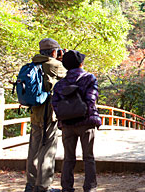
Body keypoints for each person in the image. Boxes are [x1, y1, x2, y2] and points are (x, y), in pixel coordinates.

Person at [52, 50, 101, 192]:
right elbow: (92, 99)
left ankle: (67, 187)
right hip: (86, 123)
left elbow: (55, 103)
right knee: (88, 157)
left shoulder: (60, 84)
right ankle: (90, 187)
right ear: (81, 63)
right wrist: (84, 112)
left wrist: (65, 115)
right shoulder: (89, 78)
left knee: (68, 158)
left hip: (67, 125)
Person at [24, 38, 67, 192]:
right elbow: (71, 75)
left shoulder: (33, 64)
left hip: (35, 112)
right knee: (48, 148)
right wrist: (64, 60)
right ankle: (43, 187)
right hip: (49, 114)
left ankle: (31, 184)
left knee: (34, 148)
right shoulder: (54, 65)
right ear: (54, 52)